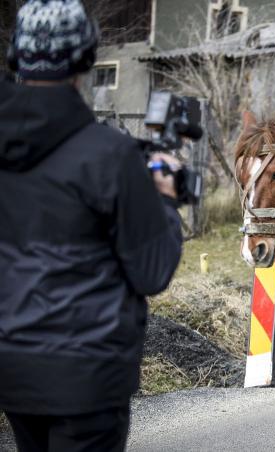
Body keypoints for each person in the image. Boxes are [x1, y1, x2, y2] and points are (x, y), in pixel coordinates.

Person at [0, 1, 183, 450]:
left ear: (15, 58)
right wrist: (164, 199)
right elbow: (152, 271)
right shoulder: (110, 156)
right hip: (87, 376)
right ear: (85, 59)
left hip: (12, 369)